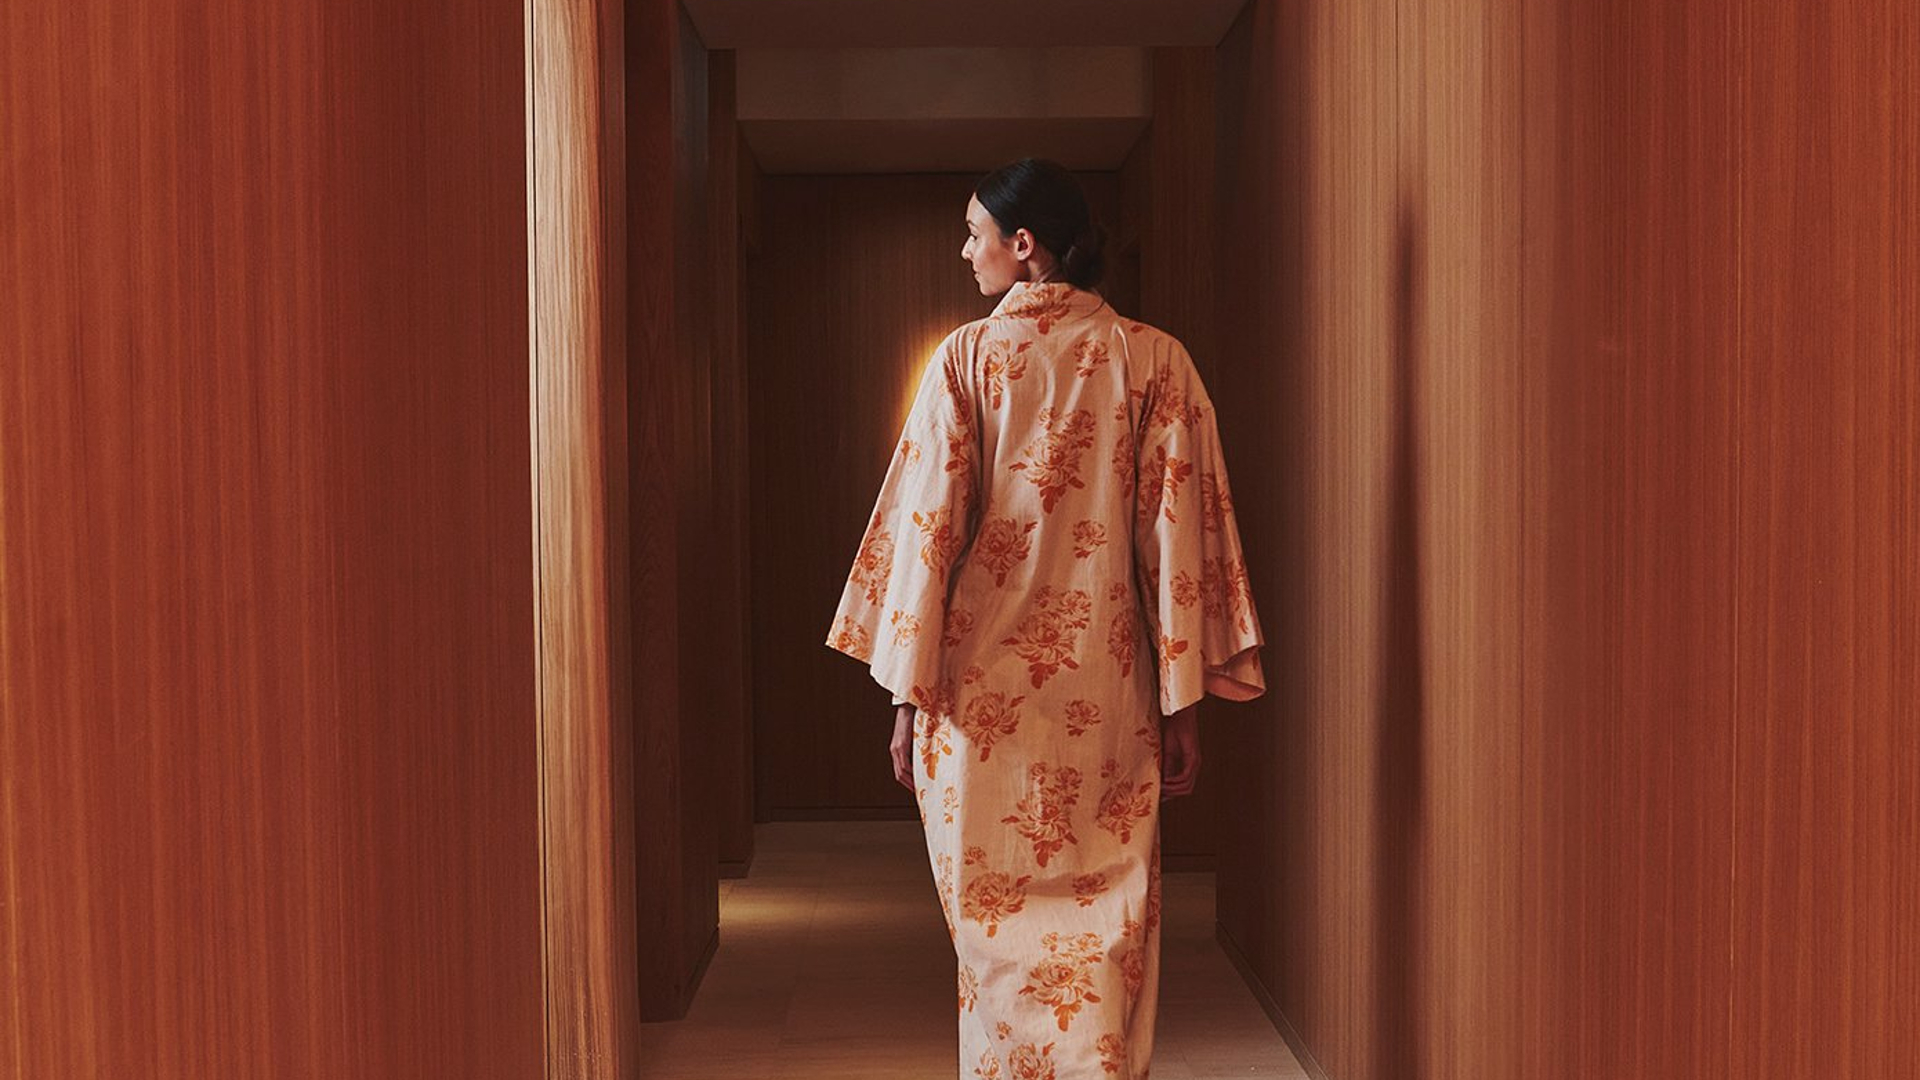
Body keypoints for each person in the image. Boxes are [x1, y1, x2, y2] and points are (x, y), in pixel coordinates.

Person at [825, 157, 1266, 1080]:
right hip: (1107, 695)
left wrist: (906, 698)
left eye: (975, 234)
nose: (966, 251)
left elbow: (927, 536)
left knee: (998, 938)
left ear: (1023, 245)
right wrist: (1182, 702)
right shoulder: (1155, 361)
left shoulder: (966, 361)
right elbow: (1177, 544)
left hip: (977, 704)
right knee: (1106, 926)